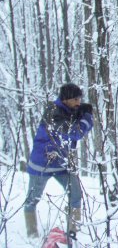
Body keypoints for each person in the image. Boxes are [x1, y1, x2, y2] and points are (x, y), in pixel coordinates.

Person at [25, 83, 94, 240]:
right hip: (42, 164)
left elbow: (73, 119)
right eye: (75, 99)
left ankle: (73, 232)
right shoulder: (53, 113)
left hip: (61, 164)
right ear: (66, 99)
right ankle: (31, 235)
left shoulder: (68, 110)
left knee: (76, 194)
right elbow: (74, 133)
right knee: (32, 200)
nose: (78, 102)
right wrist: (87, 118)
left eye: (80, 99)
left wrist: (82, 111)